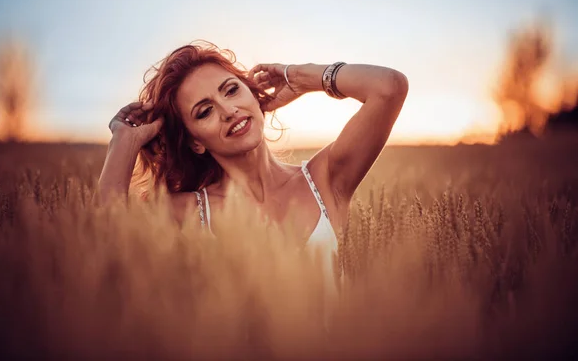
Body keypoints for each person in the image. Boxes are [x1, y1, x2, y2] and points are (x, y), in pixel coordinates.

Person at [98, 40, 408, 299]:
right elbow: (107, 247)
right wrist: (124, 143)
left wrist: (302, 76)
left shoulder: (325, 179)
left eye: (231, 90)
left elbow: (389, 88)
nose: (228, 111)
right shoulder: (188, 213)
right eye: (205, 111)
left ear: (252, 94)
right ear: (195, 143)